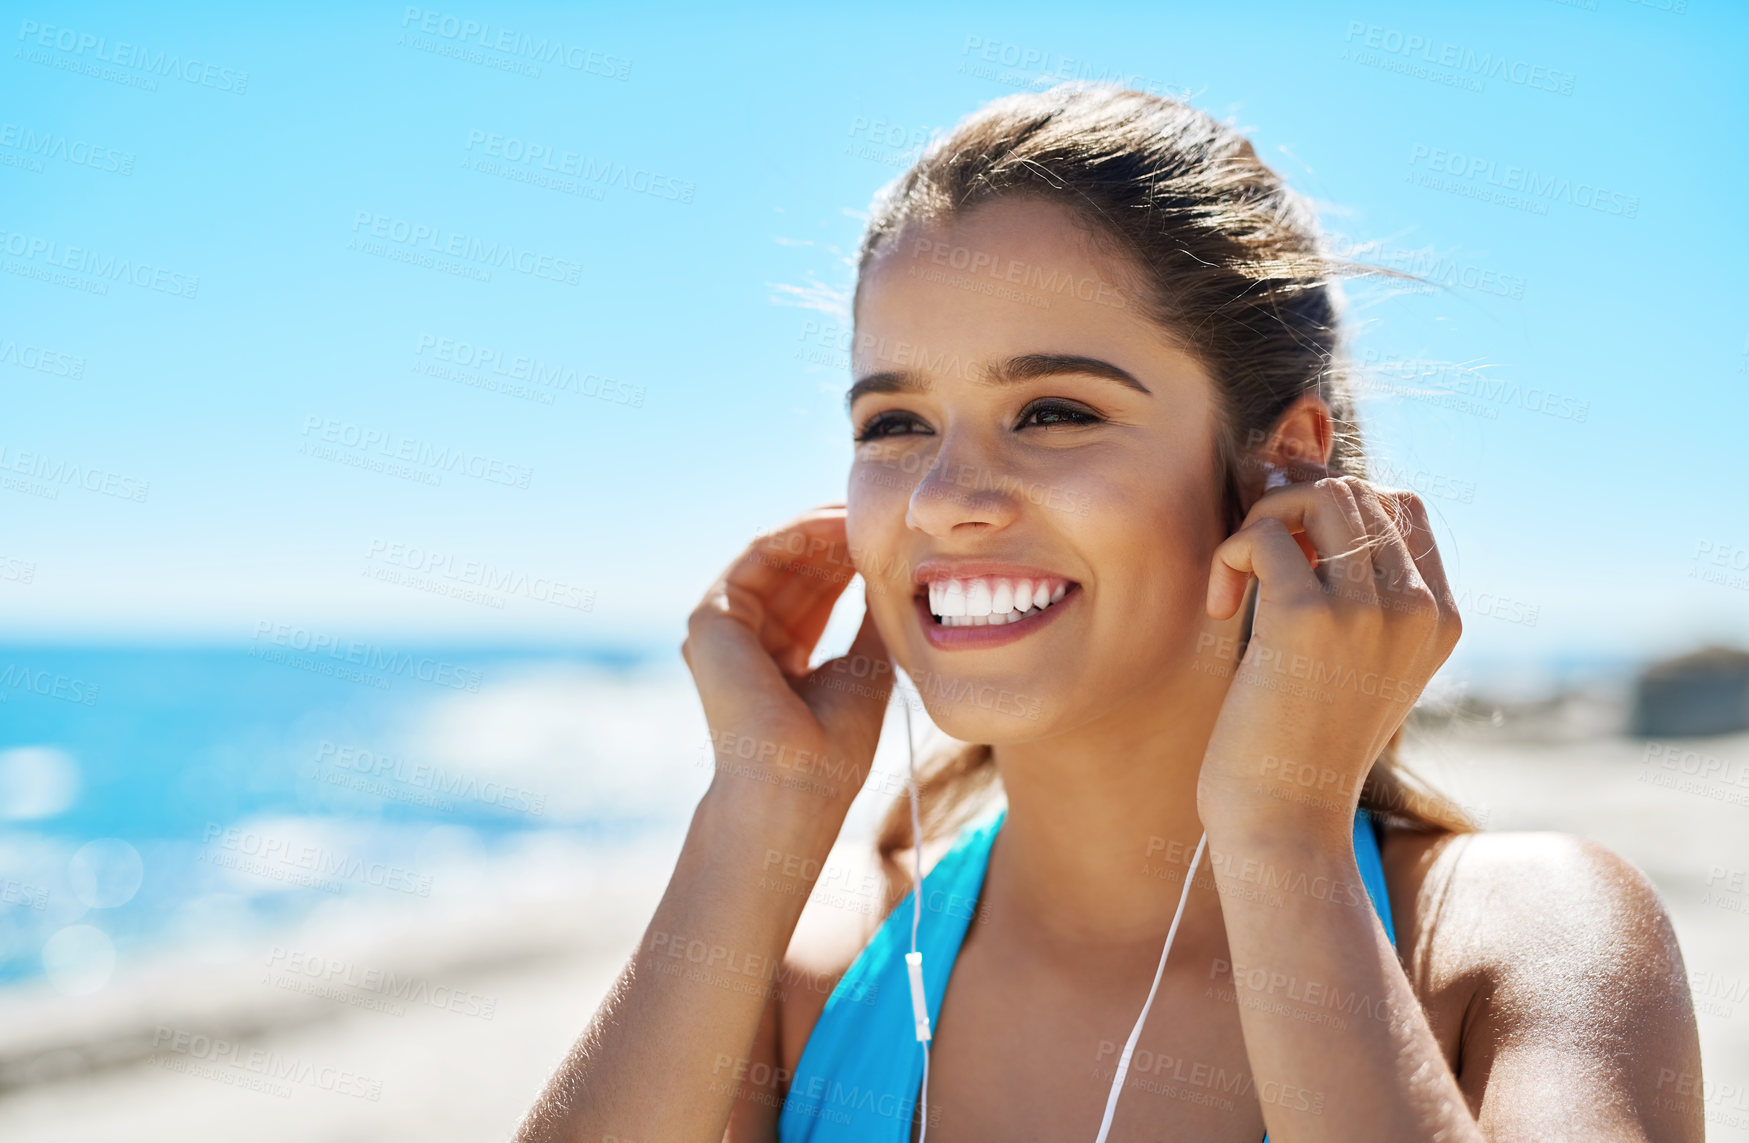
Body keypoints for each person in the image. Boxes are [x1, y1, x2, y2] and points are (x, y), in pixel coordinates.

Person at [514, 82, 1703, 1142]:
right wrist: (756, 816)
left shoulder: (1517, 942)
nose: (945, 503)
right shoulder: (808, 979)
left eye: (1054, 411)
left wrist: (1284, 834)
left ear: (1281, 464)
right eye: (894, 424)